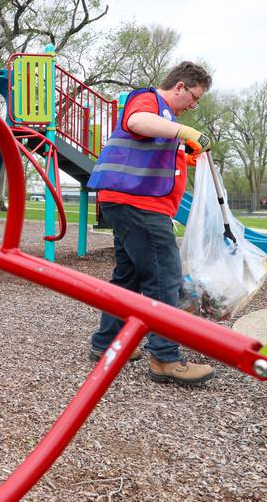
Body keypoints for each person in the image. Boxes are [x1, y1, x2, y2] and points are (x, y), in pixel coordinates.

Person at [86, 61, 215, 385]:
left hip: (128, 203)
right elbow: (137, 121)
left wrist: (181, 153)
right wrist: (183, 133)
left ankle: (107, 343)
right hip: (139, 206)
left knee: (127, 278)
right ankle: (165, 358)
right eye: (194, 98)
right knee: (164, 277)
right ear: (181, 87)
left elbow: (149, 150)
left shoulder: (165, 120)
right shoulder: (148, 101)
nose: (193, 106)